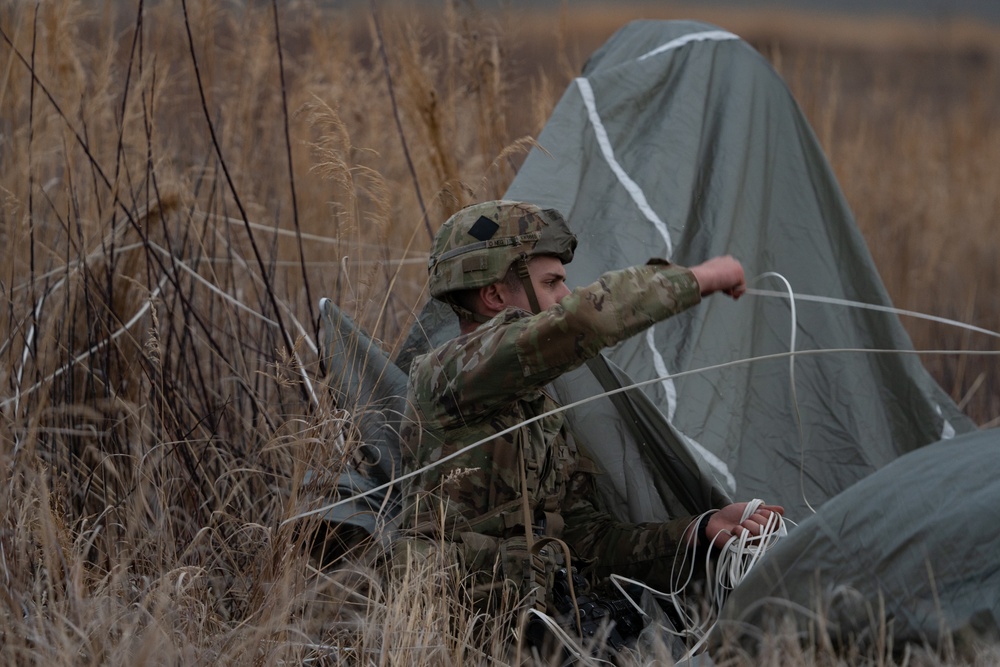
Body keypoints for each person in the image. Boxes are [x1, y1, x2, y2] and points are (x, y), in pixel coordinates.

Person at [398, 199, 782, 624]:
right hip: (454, 628)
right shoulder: (447, 373)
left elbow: (590, 542)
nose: (564, 295)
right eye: (551, 283)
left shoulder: (544, 409)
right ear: (493, 295)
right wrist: (700, 278)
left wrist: (699, 530)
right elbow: (582, 321)